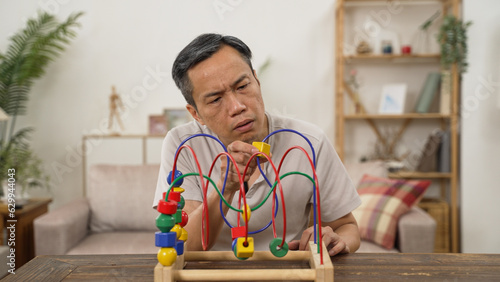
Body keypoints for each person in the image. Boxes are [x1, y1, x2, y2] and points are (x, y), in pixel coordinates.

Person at [153, 33, 361, 256]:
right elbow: (187, 245)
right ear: (195, 113)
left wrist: (335, 240)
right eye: (215, 99)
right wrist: (226, 188)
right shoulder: (183, 145)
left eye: (242, 86)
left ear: (256, 80)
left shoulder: (309, 141)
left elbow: (346, 227)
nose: (237, 106)